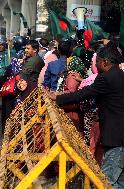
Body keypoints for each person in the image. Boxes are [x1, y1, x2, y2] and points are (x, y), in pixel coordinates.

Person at [47, 47, 124, 189]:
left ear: (105, 62)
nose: (95, 65)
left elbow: (83, 94)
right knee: (119, 181)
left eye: (97, 62)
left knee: (106, 182)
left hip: (115, 138)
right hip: (120, 136)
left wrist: (57, 98)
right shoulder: (119, 75)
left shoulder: (106, 77)